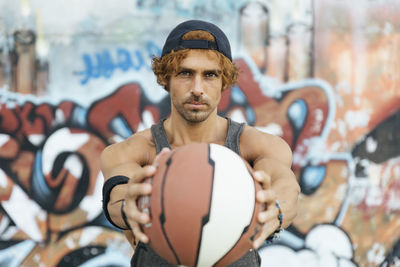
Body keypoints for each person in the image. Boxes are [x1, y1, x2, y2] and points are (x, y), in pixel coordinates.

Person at [101, 19, 300, 266]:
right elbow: (119, 195)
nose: (197, 88)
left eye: (210, 75)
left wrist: (276, 210)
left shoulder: (257, 146)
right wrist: (127, 206)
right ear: (166, 79)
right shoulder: (135, 152)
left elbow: (285, 185)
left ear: (223, 81)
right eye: (185, 73)